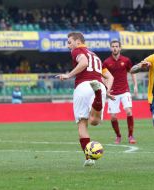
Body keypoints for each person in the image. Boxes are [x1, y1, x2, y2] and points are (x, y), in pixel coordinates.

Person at [56, 32, 114, 166]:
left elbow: (84, 62)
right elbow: (110, 77)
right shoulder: (96, 56)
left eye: (69, 42)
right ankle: (99, 95)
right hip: (98, 85)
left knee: (82, 124)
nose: (68, 45)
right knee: (94, 121)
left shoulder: (77, 51)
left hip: (83, 86)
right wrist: (107, 90)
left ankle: (89, 158)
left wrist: (68, 75)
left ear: (78, 41)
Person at [103, 39, 138, 144]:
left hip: (124, 90)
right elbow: (103, 77)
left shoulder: (126, 60)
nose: (115, 48)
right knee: (113, 116)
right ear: (110, 48)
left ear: (120, 48)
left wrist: (135, 85)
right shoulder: (106, 62)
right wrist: (106, 89)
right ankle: (118, 136)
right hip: (113, 92)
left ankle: (131, 136)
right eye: (113, 46)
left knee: (129, 111)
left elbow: (133, 72)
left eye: (116, 46)